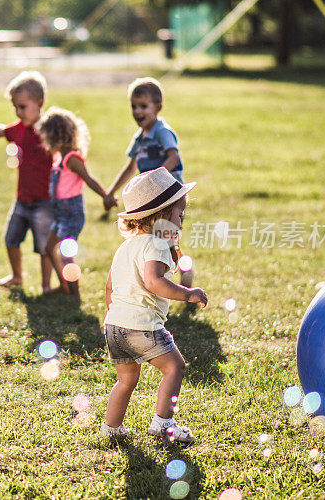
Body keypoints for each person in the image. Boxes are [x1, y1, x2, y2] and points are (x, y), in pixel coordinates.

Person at [99, 167, 207, 442]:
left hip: (115, 325)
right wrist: (188, 293)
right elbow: (154, 281)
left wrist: (114, 313)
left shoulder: (125, 247)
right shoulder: (156, 245)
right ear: (162, 215)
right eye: (179, 215)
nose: (181, 221)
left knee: (126, 379)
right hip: (142, 325)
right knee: (175, 367)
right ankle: (163, 423)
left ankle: (111, 429)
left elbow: (110, 285)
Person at [104, 77, 193, 287]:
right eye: (133, 107)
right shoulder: (140, 137)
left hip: (168, 199)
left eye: (143, 106)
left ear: (158, 107)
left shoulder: (162, 132)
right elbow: (130, 166)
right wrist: (111, 191)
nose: (137, 112)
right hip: (149, 201)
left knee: (166, 242)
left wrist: (155, 177)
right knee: (150, 242)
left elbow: (174, 157)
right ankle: (155, 282)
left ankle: (183, 273)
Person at [0, 71, 55, 293]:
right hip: (22, 200)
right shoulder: (18, 129)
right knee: (11, 239)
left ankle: (46, 285)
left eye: (22, 107)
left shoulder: (49, 131)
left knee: (44, 248)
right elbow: (0, 130)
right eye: (15, 107)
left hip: (44, 201)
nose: (18, 112)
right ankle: (17, 276)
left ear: (39, 103)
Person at [38, 107, 113, 299]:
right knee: (48, 248)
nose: (44, 142)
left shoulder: (72, 159)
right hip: (59, 213)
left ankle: (74, 294)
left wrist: (105, 196)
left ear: (58, 137)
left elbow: (89, 179)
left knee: (66, 254)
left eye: (47, 138)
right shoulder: (58, 158)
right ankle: (65, 285)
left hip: (71, 213)